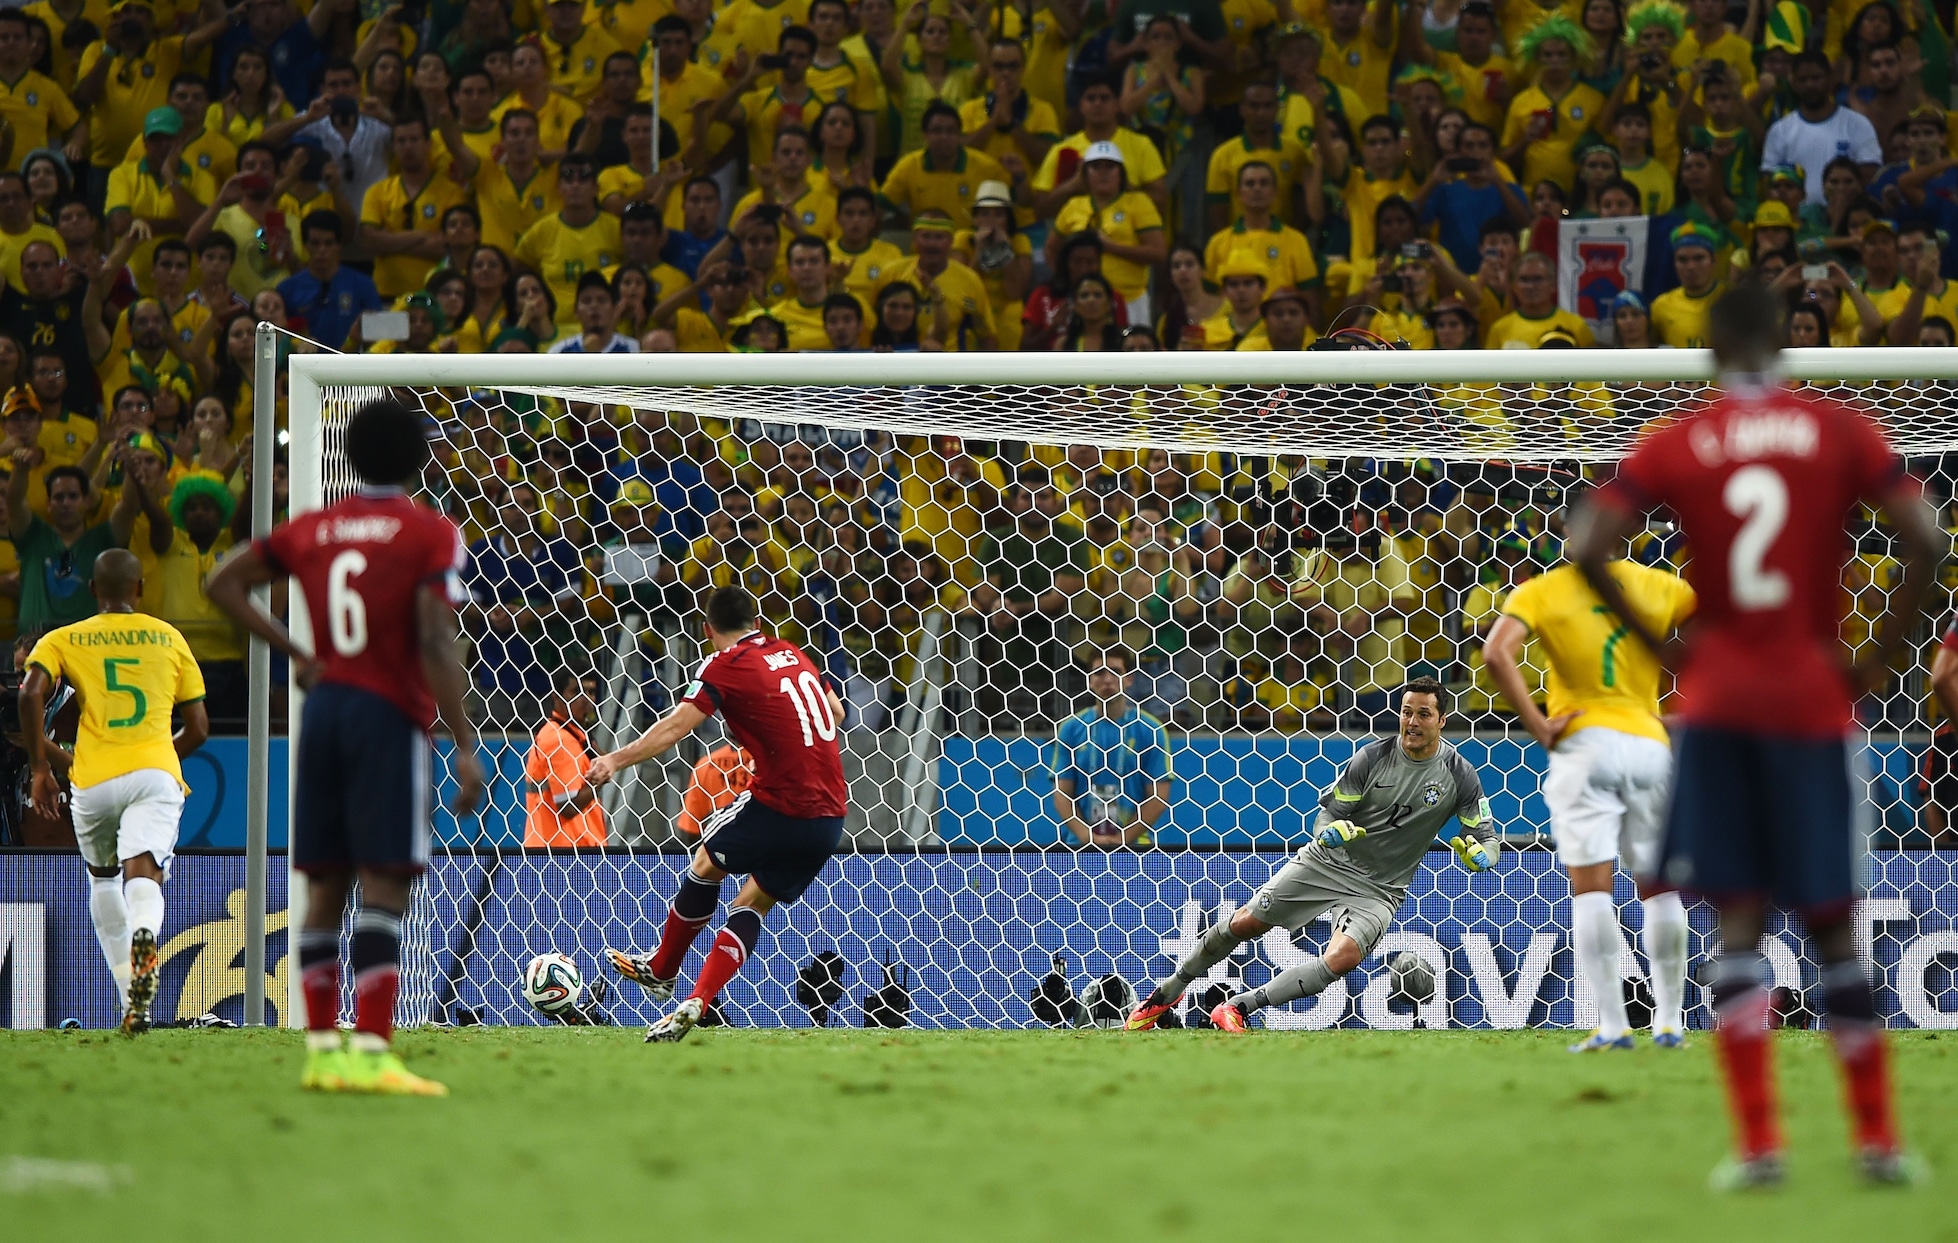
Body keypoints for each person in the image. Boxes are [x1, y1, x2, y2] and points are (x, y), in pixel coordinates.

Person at [1569, 281, 1940, 1188]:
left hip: (1720, 700)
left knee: (1737, 924)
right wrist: (1874, 659)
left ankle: (1761, 1146)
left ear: (1708, 351)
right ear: (1786, 344)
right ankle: (1878, 1142)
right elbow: (1927, 538)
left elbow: (1586, 543)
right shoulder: (1839, 429)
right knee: (1835, 930)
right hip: (1815, 700)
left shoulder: (1680, 440)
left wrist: (1668, 648)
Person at [205, 398, 485, 1096]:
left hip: (323, 711)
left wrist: (296, 651)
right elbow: (433, 636)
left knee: (325, 884)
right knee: (386, 883)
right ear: (418, 459)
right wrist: (465, 741)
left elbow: (222, 582)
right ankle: (372, 1050)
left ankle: (322, 1050)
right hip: (388, 715)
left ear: (348, 460)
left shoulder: (313, 527)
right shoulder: (431, 533)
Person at [1126, 678, 1498, 1032]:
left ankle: (1239, 1007)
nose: (1412, 722)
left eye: (1423, 714)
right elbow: (1328, 815)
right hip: (1327, 863)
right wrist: (1329, 833)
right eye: (1406, 712)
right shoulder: (1373, 758)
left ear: (1442, 720)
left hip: (1380, 888)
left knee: (1343, 958)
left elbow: (1485, 837)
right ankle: (1165, 994)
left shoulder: (1459, 774)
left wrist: (1483, 857)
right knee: (1245, 924)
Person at [590, 584, 847, 1044]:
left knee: (706, 861)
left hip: (780, 801)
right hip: (830, 817)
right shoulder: (792, 651)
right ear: (758, 622)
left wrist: (614, 760)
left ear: (708, 630)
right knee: (751, 904)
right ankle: (699, 1000)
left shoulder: (723, 664)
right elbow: (836, 710)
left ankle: (663, 969)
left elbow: (675, 726)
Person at [1483, 544, 1697, 1051]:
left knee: (1592, 890)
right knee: (1661, 887)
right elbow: (1733, 636)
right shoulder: (1661, 585)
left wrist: (1537, 725)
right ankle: (1670, 1023)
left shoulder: (1545, 589)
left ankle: (1614, 1026)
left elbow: (1495, 652)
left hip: (1583, 743)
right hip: (1649, 744)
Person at [18, 548, 208, 1034]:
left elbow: (30, 692)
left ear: (91, 591)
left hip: (93, 779)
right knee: (142, 868)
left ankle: (132, 1001)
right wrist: (158, 758)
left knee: (102, 880)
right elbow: (200, 727)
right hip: (153, 770)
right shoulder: (169, 637)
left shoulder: (65, 637)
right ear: (140, 589)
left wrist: (41, 767)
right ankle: (146, 937)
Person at [1051, 646, 1170, 848]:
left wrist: (1122, 839)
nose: (1107, 679)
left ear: (1129, 679)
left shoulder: (1150, 729)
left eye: (1116, 672)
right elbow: (1062, 794)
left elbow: (1158, 797)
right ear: (1089, 680)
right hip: (1079, 846)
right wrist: (1087, 837)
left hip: (1135, 847)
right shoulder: (1071, 728)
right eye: (1099, 672)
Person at [524, 668, 607, 847]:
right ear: (556, 697)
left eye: (591, 692)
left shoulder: (575, 735)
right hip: (563, 855)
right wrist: (600, 779)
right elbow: (567, 807)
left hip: (565, 850)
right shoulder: (560, 740)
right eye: (576, 691)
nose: (585, 699)